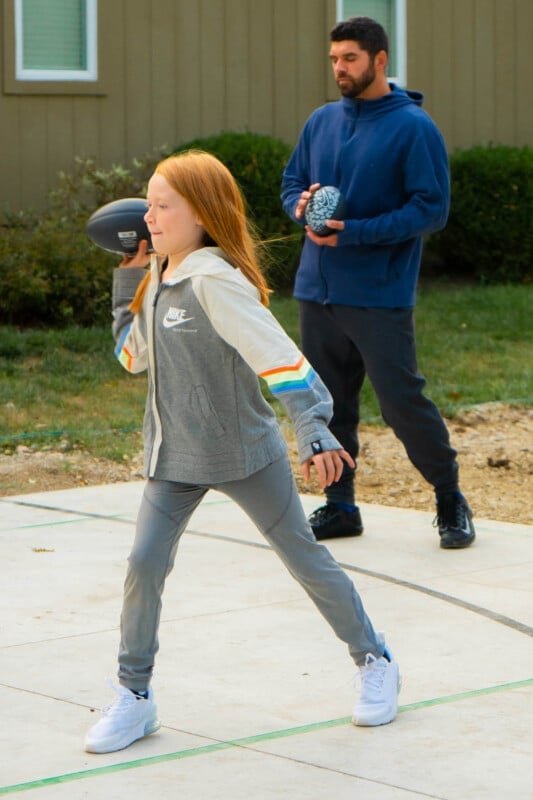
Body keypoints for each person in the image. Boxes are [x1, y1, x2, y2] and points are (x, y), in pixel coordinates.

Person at [84, 150, 400, 754]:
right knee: (143, 566)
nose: (148, 215)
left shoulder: (214, 280)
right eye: (147, 203)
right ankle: (135, 696)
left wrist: (312, 427)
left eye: (162, 205)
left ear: (200, 214)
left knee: (306, 561)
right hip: (174, 459)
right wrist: (129, 274)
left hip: (245, 454)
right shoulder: (163, 279)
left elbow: (280, 357)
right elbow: (132, 358)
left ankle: (374, 660)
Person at [281, 16, 475, 550]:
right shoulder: (321, 121)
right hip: (315, 292)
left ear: (379, 60)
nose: (340, 69)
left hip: (378, 294)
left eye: (350, 59)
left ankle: (449, 498)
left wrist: (355, 234)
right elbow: (291, 182)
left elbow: (430, 210)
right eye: (334, 60)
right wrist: (298, 206)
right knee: (328, 404)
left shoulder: (414, 127)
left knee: (402, 403)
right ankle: (340, 506)